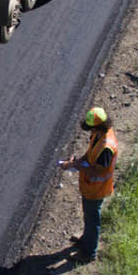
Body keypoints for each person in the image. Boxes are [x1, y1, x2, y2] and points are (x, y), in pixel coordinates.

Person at [57, 106, 118, 261]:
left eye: (91, 128)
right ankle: (86, 239)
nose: (89, 131)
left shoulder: (106, 148)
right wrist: (78, 161)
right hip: (89, 186)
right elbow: (90, 153)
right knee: (88, 215)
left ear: (97, 126)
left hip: (97, 189)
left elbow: (97, 172)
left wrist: (76, 166)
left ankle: (89, 253)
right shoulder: (98, 134)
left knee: (92, 218)